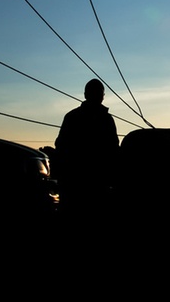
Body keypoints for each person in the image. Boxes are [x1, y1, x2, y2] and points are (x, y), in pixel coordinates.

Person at [53, 78, 120, 234]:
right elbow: (113, 151)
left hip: (75, 183)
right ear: (102, 96)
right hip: (96, 184)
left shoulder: (72, 117)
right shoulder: (106, 120)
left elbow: (61, 146)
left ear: (85, 94)